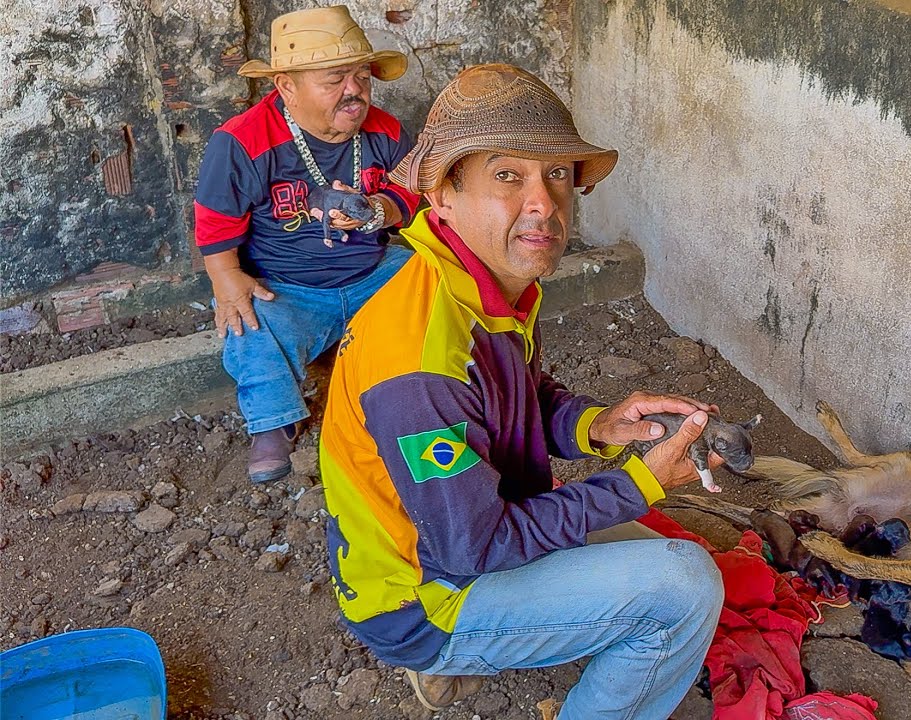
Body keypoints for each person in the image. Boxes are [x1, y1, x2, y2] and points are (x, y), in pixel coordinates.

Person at [319, 64, 726, 719]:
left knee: (656, 555)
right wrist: (637, 483)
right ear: (442, 195)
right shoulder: (419, 360)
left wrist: (598, 425)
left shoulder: (481, 286)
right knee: (685, 588)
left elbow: (519, 395)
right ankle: (448, 657)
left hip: (455, 540)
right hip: (423, 599)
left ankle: (482, 653)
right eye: (508, 176)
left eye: (558, 175)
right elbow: (475, 549)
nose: (543, 203)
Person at [192, 5, 420, 483]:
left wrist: (379, 209)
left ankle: (419, 394)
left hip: (373, 271)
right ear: (286, 86)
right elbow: (214, 223)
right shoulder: (241, 141)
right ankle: (277, 421)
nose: (355, 90)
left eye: (362, 75)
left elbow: (412, 193)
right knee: (249, 323)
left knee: (434, 276)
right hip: (286, 285)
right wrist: (228, 280)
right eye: (335, 78)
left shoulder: (386, 130)